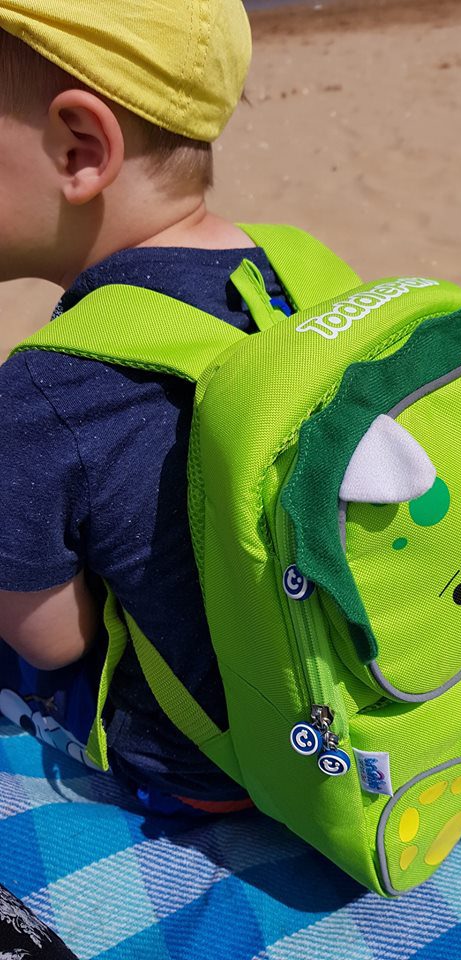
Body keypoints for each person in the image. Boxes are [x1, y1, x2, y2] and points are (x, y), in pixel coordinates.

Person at [0, 0, 282, 810]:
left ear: (79, 149)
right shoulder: (284, 270)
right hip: (328, 703)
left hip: (202, 764)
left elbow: (57, 643)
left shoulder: (41, 393)